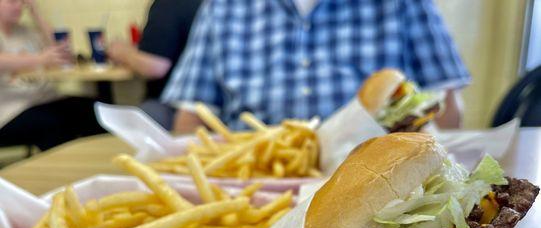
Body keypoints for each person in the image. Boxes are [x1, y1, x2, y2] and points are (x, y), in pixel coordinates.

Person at [161, 0, 471, 134]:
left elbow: (446, 107)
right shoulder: (222, 6)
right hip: (249, 189)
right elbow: (190, 119)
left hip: (377, 187)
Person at [0, 0, 102, 151]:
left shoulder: (25, 32)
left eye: (22, 2)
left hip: (43, 100)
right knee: (53, 124)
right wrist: (40, 59)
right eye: (12, 2)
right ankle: (62, 170)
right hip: (10, 112)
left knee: (95, 109)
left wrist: (36, 13)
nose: (19, 6)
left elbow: (60, 50)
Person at [107, 0, 202, 129]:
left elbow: (155, 66)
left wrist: (121, 52)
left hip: (175, 107)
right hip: (219, 107)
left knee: (141, 117)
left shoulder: (168, 4)